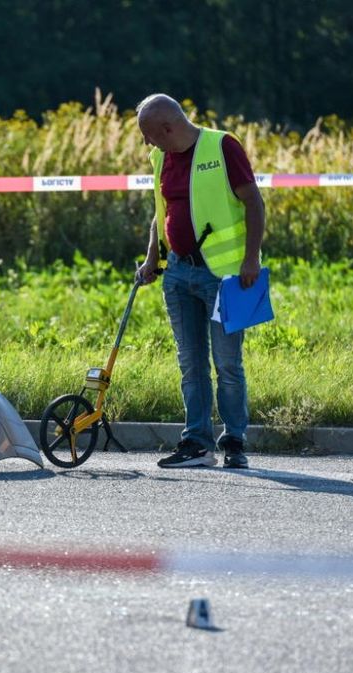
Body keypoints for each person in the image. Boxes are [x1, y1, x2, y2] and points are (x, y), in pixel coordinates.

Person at [134, 94, 265, 469]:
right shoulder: (160, 157)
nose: (147, 143)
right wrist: (152, 258)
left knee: (227, 364)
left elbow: (254, 203)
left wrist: (251, 258)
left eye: (149, 135)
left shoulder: (223, 146)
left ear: (168, 127)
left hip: (225, 276)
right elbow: (163, 213)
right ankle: (197, 443)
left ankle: (235, 442)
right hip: (177, 273)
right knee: (191, 364)